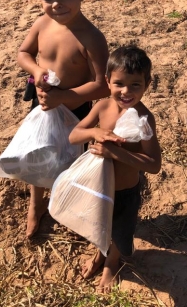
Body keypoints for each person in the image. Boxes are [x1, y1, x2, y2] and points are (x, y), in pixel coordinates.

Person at [17, 0, 110, 238]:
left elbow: (102, 87)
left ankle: (65, 201)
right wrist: (37, 70)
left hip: (76, 110)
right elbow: (23, 54)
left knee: (69, 159)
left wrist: (65, 97)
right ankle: (37, 205)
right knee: (40, 152)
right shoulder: (42, 24)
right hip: (43, 103)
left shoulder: (92, 38)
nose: (56, 4)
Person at [69, 45, 161, 292]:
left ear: (147, 84)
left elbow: (154, 164)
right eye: (119, 83)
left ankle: (112, 262)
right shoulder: (101, 107)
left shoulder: (144, 119)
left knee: (120, 230)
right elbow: (74, 136)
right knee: (99, 225)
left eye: (135, 85)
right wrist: (94, 131)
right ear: (108, 81)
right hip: (97, 187)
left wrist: (117, 153)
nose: (126, 91)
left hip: (125, 190)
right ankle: (100, 254)